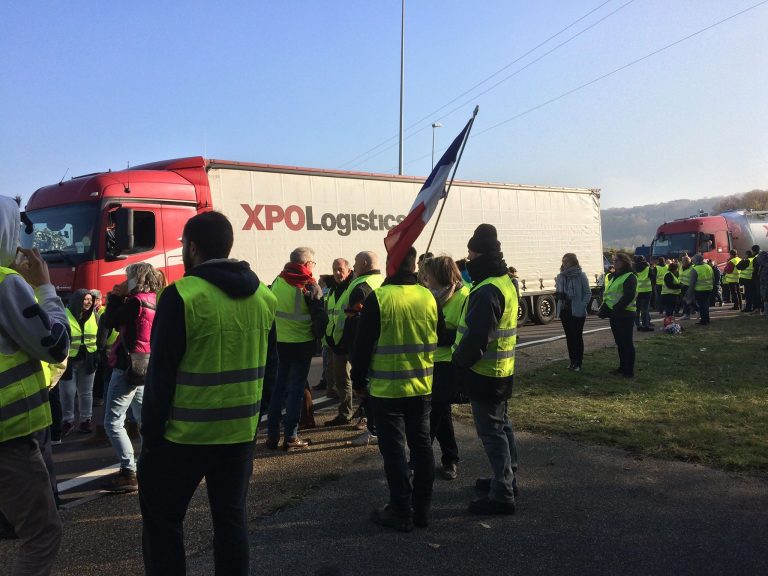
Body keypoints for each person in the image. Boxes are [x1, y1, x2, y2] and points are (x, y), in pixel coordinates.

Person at [138, 211, 278, 576]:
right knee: (231, 523)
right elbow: (271, 368)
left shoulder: (182, 295)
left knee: (163, 523)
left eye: (184, 245)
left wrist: (150, 433)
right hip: (238, 435)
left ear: (194, 248)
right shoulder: (264, 296)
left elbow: (160, 375)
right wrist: (254, 416)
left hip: (181, 438)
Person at [0, 195, 69, 576]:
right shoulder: (6, 283)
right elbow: (55, 343)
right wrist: (44, 288)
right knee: (42, 534)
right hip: (10, 433)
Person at [351, 247, 442, 531]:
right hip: (422, 386)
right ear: (414, 266)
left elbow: (361, 349)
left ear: (390, 265)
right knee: (422, 447)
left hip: (387, 390)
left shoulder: (380, 298)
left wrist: (358, 382)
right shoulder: (428, 296)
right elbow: (441, 334)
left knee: (393, 452)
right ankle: (422, 509)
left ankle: (401, 509)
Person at [453, 224, 519, 515]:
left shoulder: (486, 290)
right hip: (502, 370)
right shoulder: (504, 281)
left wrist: (458, 365)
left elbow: (477, 338)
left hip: (484, 373)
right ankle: (507, 478)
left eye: (470, 253)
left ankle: (502, 494)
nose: (467, 258)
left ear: (479, 254)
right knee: (502, 427)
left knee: (492, 433)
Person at [100, 263, 164, 492]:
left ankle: (128, 471)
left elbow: (110, 322)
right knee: (142, 417)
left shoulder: (135, 302)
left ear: (136, 278)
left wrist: (115, 297)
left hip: (127, 366)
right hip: (145, 363)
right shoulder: (155, 299)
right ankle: (153, 465)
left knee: (113, 421)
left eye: (128, 276)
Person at [266, 247, 326, 451]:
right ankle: (291, 436)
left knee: (279, 388)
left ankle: (272, 435)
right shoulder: (310, 285)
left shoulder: (278, 281)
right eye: (313, 263)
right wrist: (318, 336)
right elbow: (320, 318)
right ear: (307, 264)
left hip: (281, 342)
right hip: (302, 343)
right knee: (296, 390)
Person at [420, 255, 469, 480]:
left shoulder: (463, 296)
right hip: (429, 361)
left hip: (448, 363)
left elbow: (459, 333)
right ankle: (450, 459)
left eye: (428, 275)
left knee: (434, 412)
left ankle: (420, 460)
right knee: (442, 414)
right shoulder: (429, 297)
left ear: (439, 276)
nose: (425, 279)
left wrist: (434, 333)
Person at [325, 252, 383, 436]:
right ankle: (354, 414)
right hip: (345, 340)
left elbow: (354, 319)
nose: (337, 272)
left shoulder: (360, 286)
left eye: (356, 261)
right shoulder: (381, 280)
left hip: (356, 342)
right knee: (349, 380)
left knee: (362, 381)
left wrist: (354, 346)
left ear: (363, 263)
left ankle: (367, 419)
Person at [59, 288, 98, 434]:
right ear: (77, 300)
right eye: (85, 299)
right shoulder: (64, 314)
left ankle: (85, 420)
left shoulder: (95, 315)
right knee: (67, 392)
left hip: (88, 360)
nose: (88, 302)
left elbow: (100, 336)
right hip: (68, 361)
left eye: (90, 300)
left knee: (86, 392)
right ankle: (68, 421)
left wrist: (98, 355)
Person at [599, 253, 637, 378]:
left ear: (624, 262)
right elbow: (610, 294)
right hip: (615, 314)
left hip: (625, 314)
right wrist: (604, 308)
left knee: (627, 343)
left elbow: (629, 295)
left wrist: (617, 308)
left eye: (617, 261)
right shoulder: (614, 276)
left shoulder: (629, 276)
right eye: (613, 260)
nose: (614, 263)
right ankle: (622, 367)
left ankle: (628, 371)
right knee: (620, 343)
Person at [321, 258, 354, 399]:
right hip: (333, 339)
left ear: (349, 270)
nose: (337, 272)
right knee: (341, 379)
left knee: (355, 377)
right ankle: (345, 412)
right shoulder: (331, 290)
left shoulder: (353, 288)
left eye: (340, 269)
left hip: (350, 340)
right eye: (335, 269)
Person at [555, 253, 591, 371]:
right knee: (569, 337)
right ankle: (572, 361)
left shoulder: (580, 275)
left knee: (577, 337)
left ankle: (578, 363)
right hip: (565, 310)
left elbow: (587, 293)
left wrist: (582, 305)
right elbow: (560, 293)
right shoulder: (561, 276)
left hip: (577, 311)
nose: (564, 264)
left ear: (574, 262)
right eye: (563, 261)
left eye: (567, 261)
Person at [687, 254, 713, 326]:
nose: (693, 262)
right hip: (709, 289)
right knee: (706, 304)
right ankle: (707, 319)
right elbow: (713, 278)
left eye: (694, 260)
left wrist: (689, 294)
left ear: (697, 261)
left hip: (700, 290)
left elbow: (692, 284)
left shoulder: (695, 269)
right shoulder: (708, 267)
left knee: (702, 306)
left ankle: (703, 320)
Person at [633, 255, 654, 331]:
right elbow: (653, 279)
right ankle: (645, 325)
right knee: (644, 309)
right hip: (647, 291)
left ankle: (638, 325)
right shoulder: (648, 269)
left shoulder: (634, 269)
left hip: (637, 291)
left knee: (637, 309)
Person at [755, 245, 768, 318]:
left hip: (765, 285)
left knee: (765, 298)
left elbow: (762, 277)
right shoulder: (763, 266)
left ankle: (766, 314)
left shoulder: (763, 267)